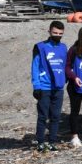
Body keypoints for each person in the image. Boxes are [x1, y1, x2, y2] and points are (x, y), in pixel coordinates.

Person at [31, 21, 67, 152]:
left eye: (60, 33)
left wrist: (65, 79)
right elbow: (35, 67)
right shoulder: (40, 47)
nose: (57, 35)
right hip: (44, 87)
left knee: (56, 116)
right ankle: (40, 142)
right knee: (42, 116)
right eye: (55, 33)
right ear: (49, 32)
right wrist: (36, 86)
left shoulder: (63, 47)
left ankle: (52, 141)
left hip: (58, 88)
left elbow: (64, 65)